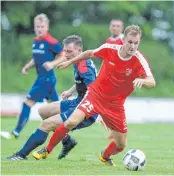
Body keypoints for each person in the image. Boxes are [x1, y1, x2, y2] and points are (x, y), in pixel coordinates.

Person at [32, 25, 156, 166]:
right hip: (95, 95)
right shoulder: (110, 49)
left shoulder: (139, 60)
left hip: (115, 105)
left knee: (121, 145)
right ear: (123, 40)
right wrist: (70, 62)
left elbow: (152, 82)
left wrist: (143, 80)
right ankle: (47, 150)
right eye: (130, 42)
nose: (133, 46)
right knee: (71, 122)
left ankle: (105, 156)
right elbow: (89, 53)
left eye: (136, 43)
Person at [4, 35, 99, 160]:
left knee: (46, 124)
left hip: (85, 107)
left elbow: (94, 90)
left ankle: (20, 155)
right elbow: (84, 82)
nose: (66, 54)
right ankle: (67, 141)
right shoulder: (79, 61)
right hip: (78, 101)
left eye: (69, 51)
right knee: (43, 111)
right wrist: (71, 91)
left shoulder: (83, 66)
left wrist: (92, 111)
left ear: (79, 51)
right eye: (65, 50)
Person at [10, 13, 66, 139]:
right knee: (55, 111)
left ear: (47, 27)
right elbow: (36, 58)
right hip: (45, 79)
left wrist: (53, 63)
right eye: (37, 27)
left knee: (27, 103)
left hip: (45, 79)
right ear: (34, 27)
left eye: (42, 26)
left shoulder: (51, 41)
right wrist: (27, 67)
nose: (39, 29)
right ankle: (67, 140)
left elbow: (63, 55)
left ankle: (16, 132)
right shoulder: (36, 41)